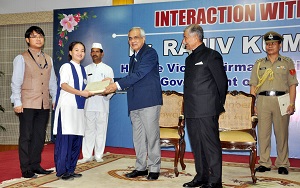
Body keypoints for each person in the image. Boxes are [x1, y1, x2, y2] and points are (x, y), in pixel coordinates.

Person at [103, 27, 162, 180]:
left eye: (136, 37)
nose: (133, 41)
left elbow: (139, 74)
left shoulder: (150, 53)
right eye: (130, 38)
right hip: (135, 102)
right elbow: (131, 77)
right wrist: (113, 81)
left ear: (143, 39)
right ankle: (141, 167)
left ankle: (154, 168)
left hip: (149, 101)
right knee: (139, 138)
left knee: (152, 136)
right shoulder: (134, 56)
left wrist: (115, 86)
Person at [181, 24, 228, 188]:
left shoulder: (212, 55)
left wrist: (216, 105)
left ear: (195, 37)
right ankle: (201, 176)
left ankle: (215, 181)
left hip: (207, 109)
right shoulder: (189, 58)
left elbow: (222, 83)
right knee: (197, 145)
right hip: (191, 110)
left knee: (211, 145)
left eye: (185, 37)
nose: (184, 41)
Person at [10, 26, 57, 178]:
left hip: (43, 103)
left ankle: (35, 165)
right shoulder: (21, 58)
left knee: (39, 136)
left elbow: (52, 82)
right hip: (27, 103)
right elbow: (16, 82)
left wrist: (55, 98)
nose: (38, 39)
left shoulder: (48, 59)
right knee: (26, 136)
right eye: (34, 36)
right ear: (27, 40)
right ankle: (26, 168)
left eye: (40, 36)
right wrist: (17, 101)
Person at [249, 31, 298, 175]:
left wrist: (292, 103)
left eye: (273, 43)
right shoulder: (259, 64)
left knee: (281, 134)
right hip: (263, 100)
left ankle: (283, 163)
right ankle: (264, 163)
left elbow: (292, 84)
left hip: (282, 100)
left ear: (279, 45)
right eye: (268, 44)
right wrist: (254, 105)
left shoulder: (287, 62)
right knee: (263, 133)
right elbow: (253, 85)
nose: (270, 46)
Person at [53, 41, 92, 180]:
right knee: (65, 141)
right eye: (76, 50)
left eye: (82, 50)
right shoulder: (66, 67)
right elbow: (63, 85)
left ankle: (71, 169)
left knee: (76, 139)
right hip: (67, 109)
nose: (80, 53)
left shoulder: (83, 70)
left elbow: (85, 89)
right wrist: (81, 93)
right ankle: (62, 171)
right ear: (70, 52)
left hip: (79, 110)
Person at [78, 43, 114, 163]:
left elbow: (112, 88)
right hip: (88, 104)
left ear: (102, 53)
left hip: (103, 104)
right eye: (92, 51)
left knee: (101, 130)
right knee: (88, 130)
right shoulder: (85, 69)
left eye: (97, 51)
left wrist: (106, 93)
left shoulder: (108, 69)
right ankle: (87, 155)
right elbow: (82, 87)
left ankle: (99, 155)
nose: (94, 53)